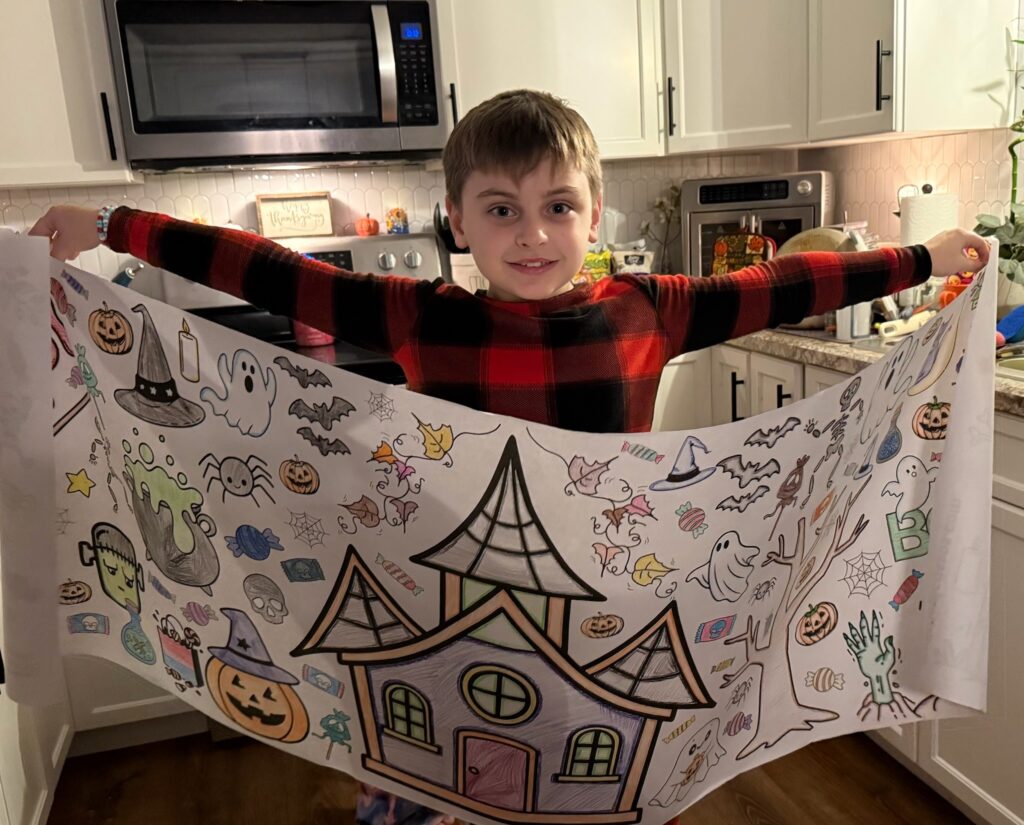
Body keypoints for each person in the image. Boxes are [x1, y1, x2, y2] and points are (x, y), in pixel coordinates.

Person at [30, 89, 987, 824]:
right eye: (501, 209)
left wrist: (925, 257)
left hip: (601, 613)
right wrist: (112, 225)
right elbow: (264, 267)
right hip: (451, 607)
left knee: (590, 781)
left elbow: (790, 281)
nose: (532, 234)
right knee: (431, 776)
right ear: (457, 218)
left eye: (558, 206)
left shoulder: (651, 309)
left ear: (594, 214)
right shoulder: (419, 314)